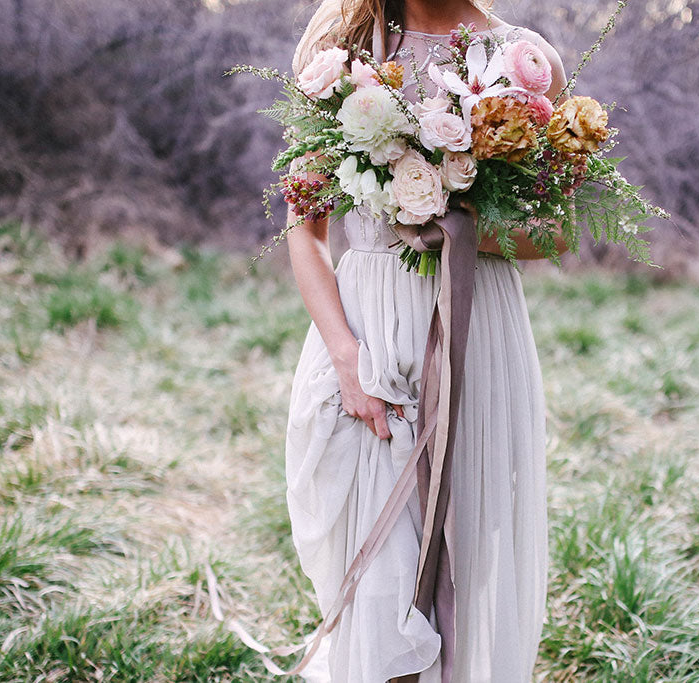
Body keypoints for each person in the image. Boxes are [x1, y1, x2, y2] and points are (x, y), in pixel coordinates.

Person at [283, 0, 568, 680]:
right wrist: (345, 356)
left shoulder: (526, 62)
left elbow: (557, 230)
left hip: (474, 328)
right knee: (378, 589)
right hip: (367, 335)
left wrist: (454, 213)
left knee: (462, 567)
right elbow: (306, 227)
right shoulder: (342, 53)